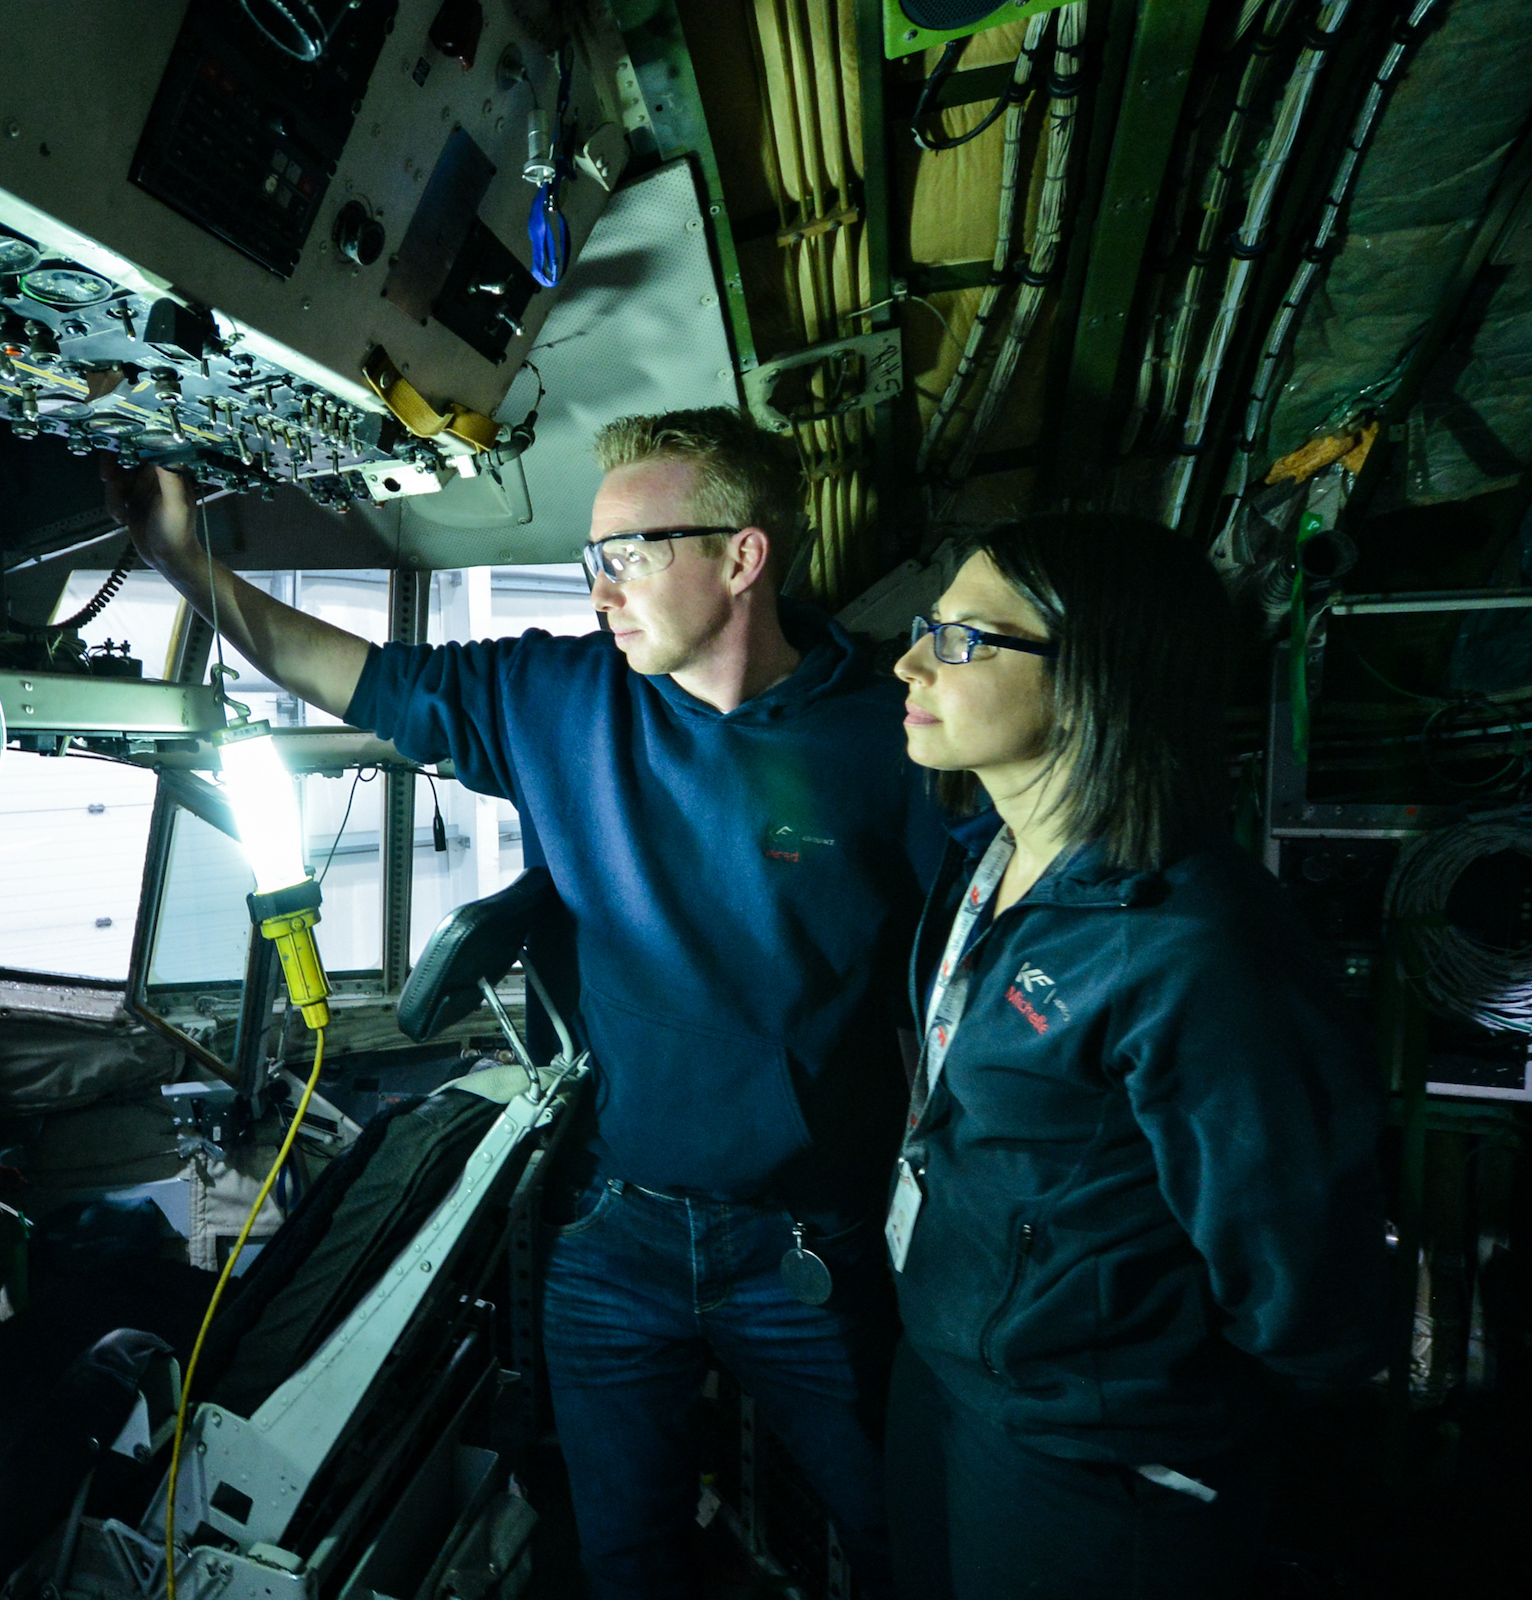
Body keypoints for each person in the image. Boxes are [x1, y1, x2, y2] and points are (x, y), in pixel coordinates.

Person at [104, 409, 952, 1599]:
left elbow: (971, 966)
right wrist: (189, 570)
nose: (597, 588)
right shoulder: (556, 697)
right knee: (620, 1563)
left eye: (628, 554)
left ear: (742, 556)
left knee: (908, 1546)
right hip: (619, 1235)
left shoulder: (895, 737)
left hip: (807, 1245)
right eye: (588, 558)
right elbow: (334, 667)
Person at [882, 515, 1387, 1600]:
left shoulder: (1194, 943)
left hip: (1096, 1450)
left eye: (965, 639)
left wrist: (1166, 1412)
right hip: (952, 1376)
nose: (911, 660)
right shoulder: (992, 866)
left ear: (1094, 674)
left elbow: (1299, 1269)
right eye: (929, 627)